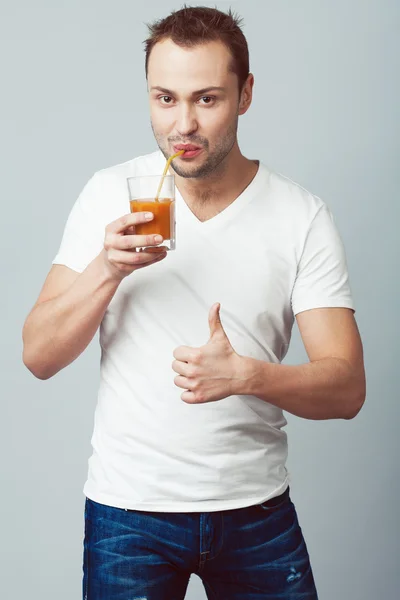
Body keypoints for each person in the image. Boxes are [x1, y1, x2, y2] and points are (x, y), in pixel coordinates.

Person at [22, 5, 366, 599]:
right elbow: (38, 355)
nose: (183, 124)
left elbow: (347, 389)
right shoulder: (109, 194)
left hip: (255, 510)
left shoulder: (301, 216)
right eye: (165, 99)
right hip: (127, 514)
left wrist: (248, 376)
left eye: (206, 99)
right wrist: (107, 268)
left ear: (245, 94)